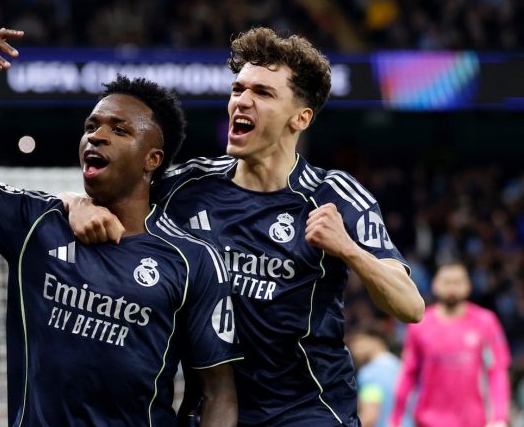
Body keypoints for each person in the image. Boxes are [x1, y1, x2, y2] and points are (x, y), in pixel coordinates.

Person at [65, 26, 425, 426]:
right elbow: (111, 198)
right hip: (211, 408)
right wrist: (78, 204)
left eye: (263, 93)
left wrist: (349, 249)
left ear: (301, 117)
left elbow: (409, 306)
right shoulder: (187, 186)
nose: (242, 101)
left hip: (307, 412)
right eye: (238, 89)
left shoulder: (334, 195)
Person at [0, 27, 241, 427]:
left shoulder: (192, 260)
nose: (97, 136)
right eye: (91, 126)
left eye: (119, 129)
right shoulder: (37, 223)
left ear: (152, 159)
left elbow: (218, 394)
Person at [390, 262, 511, 427]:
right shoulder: (420, 325)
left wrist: (499, 417)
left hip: (474, 421)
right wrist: (395, 419)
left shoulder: (486, 322)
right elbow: (408, 373)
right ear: (435, 285)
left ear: (468, 286)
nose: (452, 287)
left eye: (458, 282)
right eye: (447, 282)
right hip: (428, 421)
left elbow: (497, 371)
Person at [347, 326, 406, 427]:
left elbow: (370, 415)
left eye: (358, 341)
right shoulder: (400, 366)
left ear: (376, 340)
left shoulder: (370, 373)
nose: (353, 349)